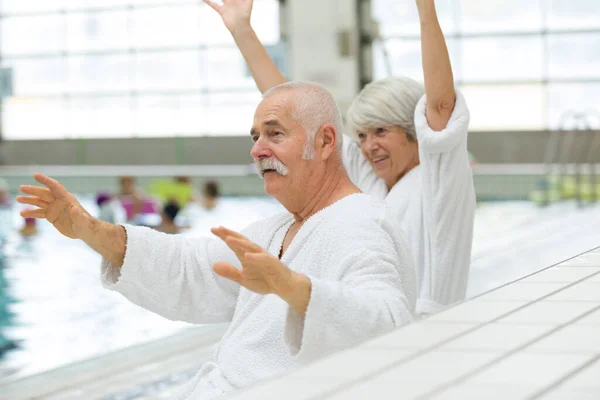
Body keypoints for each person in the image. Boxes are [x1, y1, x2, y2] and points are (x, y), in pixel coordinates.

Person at [16, 82, 416, 399]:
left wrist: (295, 289)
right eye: (256, 136)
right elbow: (188, 266)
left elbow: (389, 321)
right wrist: (92, 231)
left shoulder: (359, 224)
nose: (257, 149)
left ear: (326, 142)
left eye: (274, 134)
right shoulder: (280, 228)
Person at [206, 0, 476, 316]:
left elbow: (441, 104)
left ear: (413, 132)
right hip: (373, 325)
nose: (369, 145)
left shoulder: (439, 179)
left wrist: (425, 9)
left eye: (380, 131)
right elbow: (295, 112)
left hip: (430, 331)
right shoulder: (368, 180)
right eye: (362, 135)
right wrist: (243, 32)